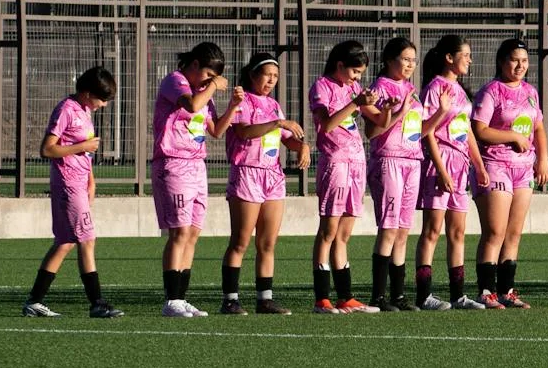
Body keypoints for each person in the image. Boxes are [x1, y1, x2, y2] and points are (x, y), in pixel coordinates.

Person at [22, 66, 123, 318]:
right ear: (87, 93)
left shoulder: (85, 110)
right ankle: (97, 302)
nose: (104, 105)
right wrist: (82, 146)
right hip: (67, 183)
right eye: (102, 99)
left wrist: (91, 179)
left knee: (65, 242)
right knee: (87, 240)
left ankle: (34, 302)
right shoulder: (66, 109)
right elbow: (47, 149)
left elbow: (84, 154)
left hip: (79, 182)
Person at [213, 52, 308, 315]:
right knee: (240, 241)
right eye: (267, 74)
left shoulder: (274, 105)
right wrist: (277, 123)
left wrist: (302, 146)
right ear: (253, 74)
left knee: (268, 242)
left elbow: (285, 137)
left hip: (272, 176)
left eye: (276, 76)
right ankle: (230, 299)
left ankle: (264, 298)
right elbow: (244, 131)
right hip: (247, 173)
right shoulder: (243, 101)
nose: (271, 80)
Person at [471, 38, 548, 308]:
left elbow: (538, 127)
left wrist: (543, 159)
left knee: (514, 233)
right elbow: (479, 130)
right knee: (495, 231)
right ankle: (486, 291)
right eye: (514, 60)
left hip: (523, 168)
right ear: (502, 61)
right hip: (495, 165)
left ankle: (507, 290)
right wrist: (512, 136)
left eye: (524, 61)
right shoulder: (491, 91)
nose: (520, 65)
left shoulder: (530, 91)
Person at [154, 42, 228, 317]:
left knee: (193, 233)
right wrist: (212, 86)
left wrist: (233, 105)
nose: (210, 82)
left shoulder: (202, 91)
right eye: (208, 75)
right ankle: (171, 299)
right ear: (195, 65)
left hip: (197, 165)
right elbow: (191, 104)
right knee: (180, 231)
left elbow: (216, 130)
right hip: (174, 163)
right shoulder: (176, 81)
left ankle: (181, 298)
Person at [309, 39, 382, 314]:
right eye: (354, 72)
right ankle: (322, 298)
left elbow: (378, 120)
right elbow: (326, 125)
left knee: (345, 234)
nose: (357, 78)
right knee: (328, 231)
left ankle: (345, 296)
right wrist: (355, 103)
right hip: (335, 163)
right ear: (340, 65)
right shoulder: (321, 87)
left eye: (360, 74)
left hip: (356, 163)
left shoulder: (353, 89)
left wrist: (388, 108)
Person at [415, 34, 485, 310]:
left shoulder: (460, 90)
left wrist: (478, 165)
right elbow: (428, 132)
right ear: (449, 57)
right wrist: (441, 170)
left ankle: (458, 295)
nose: (469, 59)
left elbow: (465, 129)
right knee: (432, 230)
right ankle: (424, 295)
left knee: (458, 231)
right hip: (439, 162)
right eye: (465, 54)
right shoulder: (435, 88)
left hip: (460, 165)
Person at [363, 37, 423, 312]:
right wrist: (399, 111)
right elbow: (374, 130)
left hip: (413, 160)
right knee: (388, 228)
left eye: (413, 59)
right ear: (389, 60)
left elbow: (419, 126)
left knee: (403, 230)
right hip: (389, 160)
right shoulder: (379, 88)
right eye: (405, 59)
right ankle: (379, 295)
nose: (410, 64)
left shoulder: (411, 88)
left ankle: (399, 295)